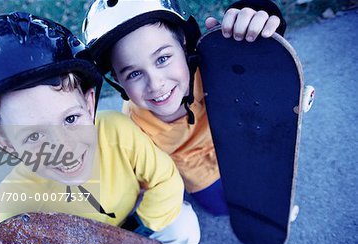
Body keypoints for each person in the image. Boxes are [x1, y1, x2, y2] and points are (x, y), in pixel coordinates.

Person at [0, 12, 199, 244]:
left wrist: (142, 238)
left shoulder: (116, 130)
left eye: (71, 119)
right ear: (6, 144)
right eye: (34, 136)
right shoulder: (13, 204)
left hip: (138, 224)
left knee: (186, 228)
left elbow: (164, 177)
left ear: (90, 106)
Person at [82, 0, 286, 216]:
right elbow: (145, 170)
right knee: (223, 208)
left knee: (264, 184)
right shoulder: (133, 124)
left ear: (184, 45)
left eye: (162, 59)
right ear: (118, 81)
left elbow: (258, 65)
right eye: (133, 74)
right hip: (196, 172)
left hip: (233, 143)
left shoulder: (213, 71)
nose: (155, 84)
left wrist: (257, 22)